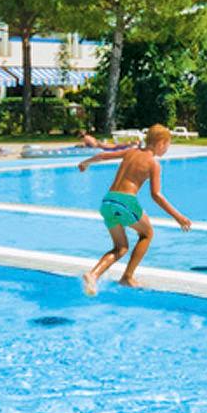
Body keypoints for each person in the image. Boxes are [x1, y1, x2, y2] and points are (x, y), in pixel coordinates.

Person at [77, 123, 191, 292]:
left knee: (120, 247)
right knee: (147, 234)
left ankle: (93, 275)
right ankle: (127, 277)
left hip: (107, 202)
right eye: (168, 145)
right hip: (125, 202)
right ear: (161, 143)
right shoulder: (154, 163)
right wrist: (178, 217)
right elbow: (156, 195)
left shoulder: (131, 152)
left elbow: (102, 155)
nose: (167, 149)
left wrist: (86, 163)